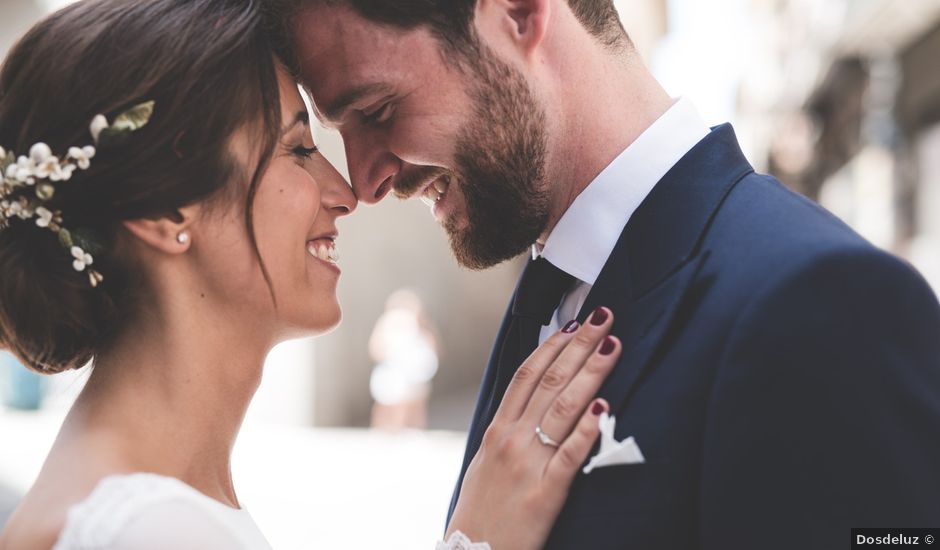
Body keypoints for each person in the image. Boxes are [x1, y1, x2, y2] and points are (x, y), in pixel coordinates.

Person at [273, 0, 940, 547]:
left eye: (377, 110)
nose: (364, 181)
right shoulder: (547, 290)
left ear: (519, 12)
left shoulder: (825, 303)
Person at [0, 1, 624, 548]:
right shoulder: (145, 531)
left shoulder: (143, 497)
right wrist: (478, 541)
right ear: (163, 210)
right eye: (298, 149)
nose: (348, 192)